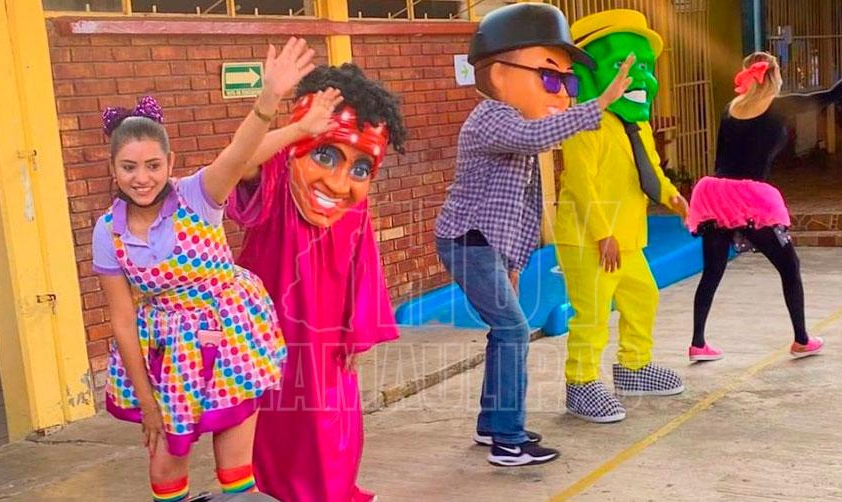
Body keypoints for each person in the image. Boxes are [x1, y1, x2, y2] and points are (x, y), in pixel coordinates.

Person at [94, 39, 338, 501]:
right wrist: (148, 403)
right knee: (164, 466)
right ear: (113, 168)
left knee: (236, 472)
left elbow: (240, 153)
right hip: (167, 353)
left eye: (152, 165)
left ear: (170, 163)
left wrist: (269, 102)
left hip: (229, 336)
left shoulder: (198, 195)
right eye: (129, 167)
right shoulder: (108, 230)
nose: (141, 178)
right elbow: (122, 320)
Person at [433, 3, 634, 466]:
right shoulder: (493, 118)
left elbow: (517, 210)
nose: (562, 93)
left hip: (486, 244)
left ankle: (492, 425)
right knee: (513, 330)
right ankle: (508, 441)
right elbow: (537, 139)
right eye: (549, 78)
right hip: (466, 240)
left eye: (569, 83)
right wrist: (599, 103)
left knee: (504, 331)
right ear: (500, 75)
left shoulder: (518, 123)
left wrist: (514, 263)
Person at [227, 63, 406, 501]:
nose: (338, 182)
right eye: (325, 155)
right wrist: (281, 116)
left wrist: (356, 332)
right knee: (271, 430)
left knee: (330, 430)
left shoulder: (353, 210)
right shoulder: (276, 179)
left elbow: (364, 265)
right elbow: (237, 162)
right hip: (265, 338)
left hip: (326, 344)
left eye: (361, 169)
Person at [685, 42, 842, 362]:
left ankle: (698, 343)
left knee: (712, 272)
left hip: (716, 194)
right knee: (789, 266)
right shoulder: (780, 106)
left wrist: (721, 205)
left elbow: (720, 158)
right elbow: (830, 96)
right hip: (751, 199)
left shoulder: (731, 108)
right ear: (775, 76)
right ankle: (802, 340)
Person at [556, 10, 689, 424]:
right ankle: (581, 383)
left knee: (643, 297)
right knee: (593, 315)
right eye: (625, 67)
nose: (640, 79)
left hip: (629, 236)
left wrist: (673, 197)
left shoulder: (638, 126)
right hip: (590, 239)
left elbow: (649, 168)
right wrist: (602, 234)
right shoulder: (585, 125)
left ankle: (633, 367)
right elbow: (581, 184)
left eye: (645, 68)